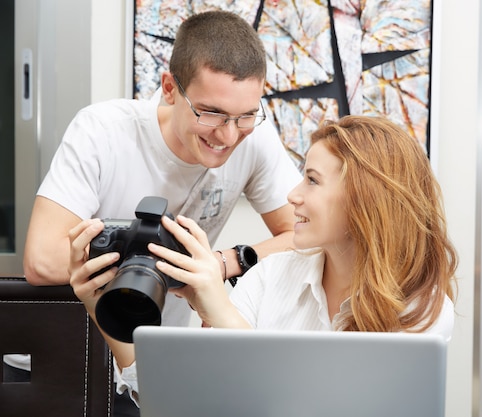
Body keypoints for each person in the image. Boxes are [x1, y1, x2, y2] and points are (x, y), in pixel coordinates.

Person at [8, 10, 302, 417]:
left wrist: (221, 263)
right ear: (168, 87)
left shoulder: (255, 139)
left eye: (245, 116)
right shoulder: (103, 130)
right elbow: (41, 260)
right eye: (211, 113)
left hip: (154, 366)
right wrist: (155, 258)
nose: (229, 135)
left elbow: (303, 234)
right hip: (66, 361)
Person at [69, 115, 458, 406]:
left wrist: (217, 304)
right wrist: (99, 303)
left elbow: (303, 406)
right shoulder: (270, 277)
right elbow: (178, 397)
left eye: (312, 180)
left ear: (365, 199)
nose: (292, 195)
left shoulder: (422, 309)